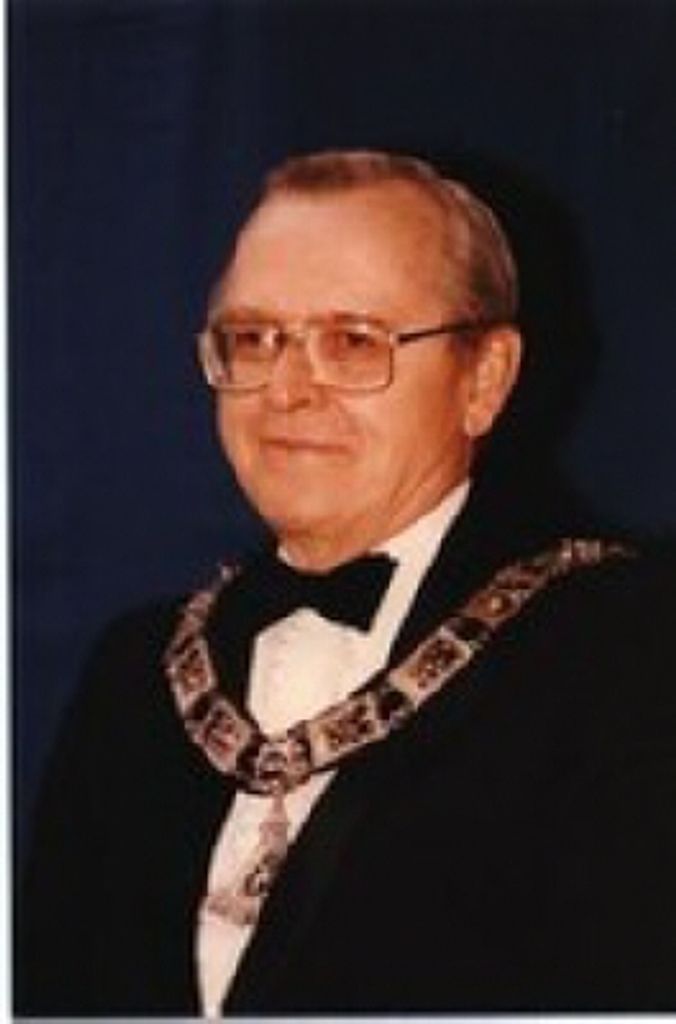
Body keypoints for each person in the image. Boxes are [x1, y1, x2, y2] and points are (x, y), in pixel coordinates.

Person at [17, 150, 676, 1016]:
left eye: (353, 341)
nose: (287, 390)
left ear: (484, 378)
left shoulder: (628, 653)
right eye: (254, 338)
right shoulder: (136, 672)